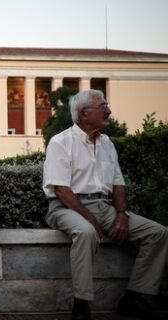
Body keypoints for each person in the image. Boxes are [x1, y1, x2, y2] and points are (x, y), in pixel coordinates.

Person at [43, 89, 168, 320]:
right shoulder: (61, 142)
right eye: (103, 106)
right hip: (65, 207)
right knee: (86, 232)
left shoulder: (107, 143)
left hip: (105, 208)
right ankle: (81, 305)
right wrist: (91, 219)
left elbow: (118, 184)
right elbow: (61, 189)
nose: (109, 110)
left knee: (158, 233)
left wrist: (121, 214)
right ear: (84, 113)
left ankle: (134, 297)